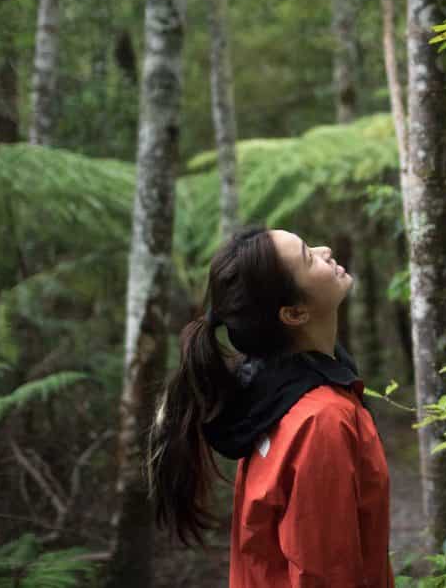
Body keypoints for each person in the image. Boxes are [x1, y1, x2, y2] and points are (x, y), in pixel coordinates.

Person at [148, 226, 395, 587]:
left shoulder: (268, 399)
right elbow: (325, 575)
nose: (326, 249)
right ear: (294, 313)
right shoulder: (320, 420)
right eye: (309, 257)